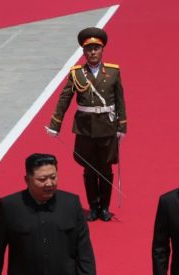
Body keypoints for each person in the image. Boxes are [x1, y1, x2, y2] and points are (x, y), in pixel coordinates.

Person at [46, 27, 127, 222]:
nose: (92, 52)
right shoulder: (77, 74)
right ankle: (93, 207)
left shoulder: (113, 72)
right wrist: (55, 124)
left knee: (106, 169)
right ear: (83, 52)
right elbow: (64, 99)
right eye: (88, 49)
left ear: (102, 51)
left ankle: (105, 208)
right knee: (89, 169)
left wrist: (122, 126)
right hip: (85, 129)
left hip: (107, 128)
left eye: (96, 49)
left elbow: (120, 100)